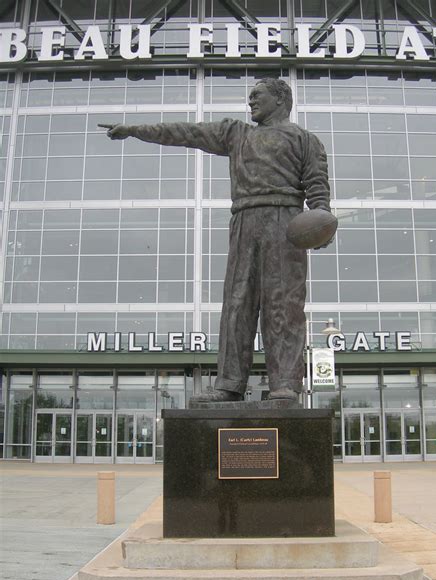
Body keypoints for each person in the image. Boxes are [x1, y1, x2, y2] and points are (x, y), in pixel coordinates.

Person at [100, 78, 331, 402]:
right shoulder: (237, 134)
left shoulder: (305, 140)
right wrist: (135, 129)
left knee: (284, 306)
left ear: (280, 100)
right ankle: (229, 383)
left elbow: (318, 188)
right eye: (249, 96)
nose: (250, 101)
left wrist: (321, 225)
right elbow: (185, 132)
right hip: (244, 220)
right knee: (237, 304)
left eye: (257, 95)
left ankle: (285, 384)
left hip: (286, 223)